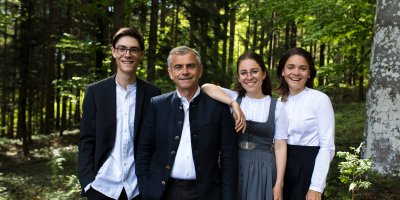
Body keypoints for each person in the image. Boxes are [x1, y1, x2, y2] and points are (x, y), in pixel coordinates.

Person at [135, 46, 238, 200]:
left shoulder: (218, 108)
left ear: (200, 70)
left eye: (190, 66)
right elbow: (143, 151)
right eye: (178, 67)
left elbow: (229, 157)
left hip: (206, 193)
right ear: (171, 73)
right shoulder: (157, 105)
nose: (185, 72)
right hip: (163, 192)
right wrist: (146, 189)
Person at [78, 27, 161, 200]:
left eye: (133, 49)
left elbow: (155, 142)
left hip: (138, 189)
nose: (127, 54)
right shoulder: (95, 92)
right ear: (114, 52)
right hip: (102, 187)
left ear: (141, 54)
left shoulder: (153, 94)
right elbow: (86, 141)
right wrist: (87, 183)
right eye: (122, 49)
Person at [201, 52, 288, 200]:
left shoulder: (278, 106)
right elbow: (205, 87)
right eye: (243, 73)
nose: (249, 77)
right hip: (234, 165)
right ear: (239, 77)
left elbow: (280, 146)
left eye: (254, 71)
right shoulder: (233, 97)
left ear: (264, 74)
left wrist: (279, 184)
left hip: (264, 168)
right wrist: (233, 103)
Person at [276, 47, 335, 200]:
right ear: (283, 71)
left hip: (308, 168)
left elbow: (327, 146)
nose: (296, 73)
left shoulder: (320, 100)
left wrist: (316, 186)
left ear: (309, 74)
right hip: (280, 168)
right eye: (290, 67)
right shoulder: (278, 102)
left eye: (302, 68)